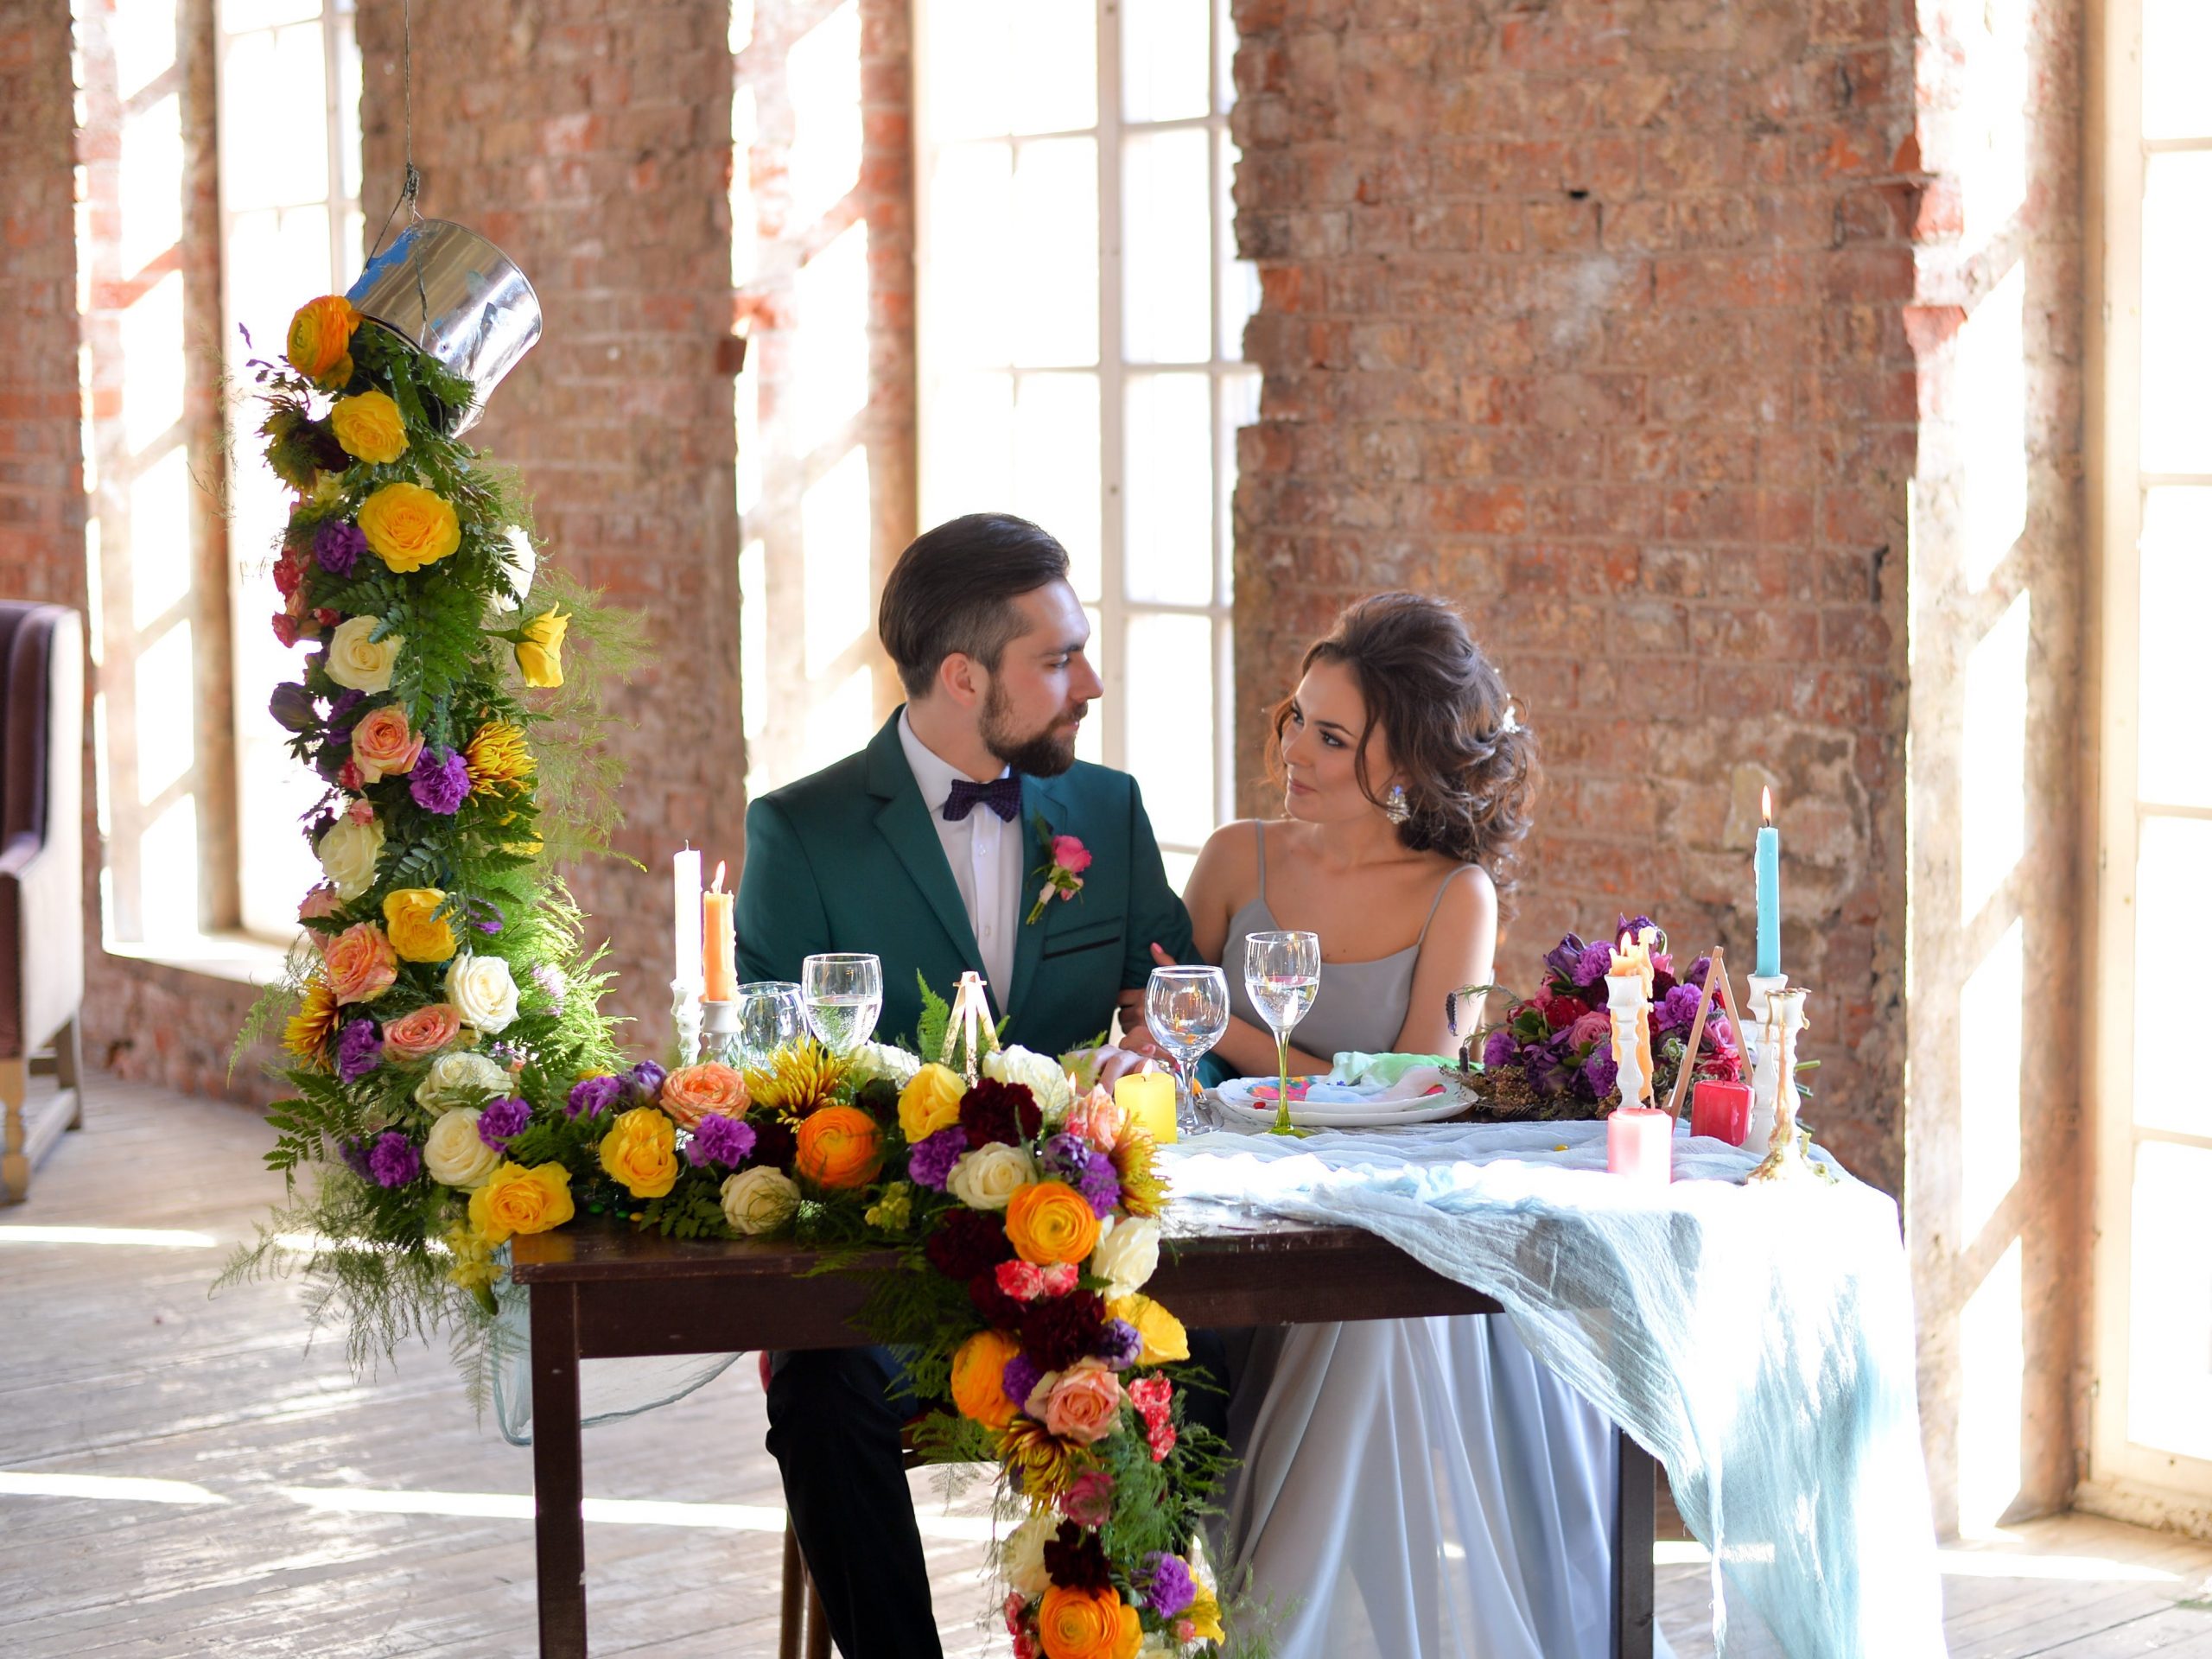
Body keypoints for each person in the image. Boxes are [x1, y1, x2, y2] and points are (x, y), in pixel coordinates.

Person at [734, 512, 1211, 1659]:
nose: (1088, 682)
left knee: (1221, 1344)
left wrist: (1154, 1046)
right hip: (894, 1272)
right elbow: (776, 1089)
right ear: (961, 676)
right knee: (817, 1382)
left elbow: (1177, 1004)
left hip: (1082, 1267)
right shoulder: (799, 834)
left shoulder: (1109, 812)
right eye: (1056, 660)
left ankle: (1115, 1637)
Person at [1149, 593, 1629, 1658]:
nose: (1294, 751)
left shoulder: (1454, 896)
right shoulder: (1237, 860)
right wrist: (1203, 1036)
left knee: (1363, 1339)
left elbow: (1417, 1092)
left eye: (1330, 736)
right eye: (1294, 721)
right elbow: (1160, 1027)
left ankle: (1282, 1633)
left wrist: (1231, 1031)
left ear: (1402, 761)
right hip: (1218, 1207)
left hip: (1368, 1216)